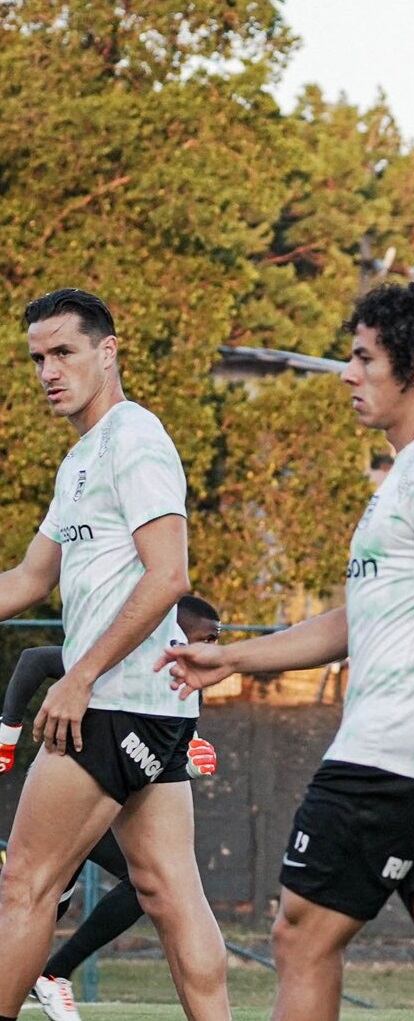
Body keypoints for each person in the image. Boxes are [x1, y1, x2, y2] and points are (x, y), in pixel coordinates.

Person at [161, 282, 414, 1021]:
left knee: (301, 937)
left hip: (390, 757)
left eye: (362, 358)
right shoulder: (410, 472)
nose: (347, 374)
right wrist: (233, 658)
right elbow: (362, 617)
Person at [0, 289, 230, 1021]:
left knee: (25, 883)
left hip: (111, 699)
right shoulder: (82, 458)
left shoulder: (134, 439)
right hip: (150, 707)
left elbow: (170, 575)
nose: (48, 371)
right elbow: (30, 579)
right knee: (166, 890)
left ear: (108, 350)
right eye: (38, 357)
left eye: (63, 351)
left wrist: (80, 677)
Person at [2, 595, 223, 1021]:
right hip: (90, 775)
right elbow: (35, 658)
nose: (212, 650)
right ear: (171, 631)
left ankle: (53, 972)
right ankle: (52, 971)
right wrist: (8, 731)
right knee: (43, 889)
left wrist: (189, 763)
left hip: (110, 771)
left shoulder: (173, 683)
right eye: (207, 638)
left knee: (34, 889)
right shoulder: (128, 660)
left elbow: (162, 762)